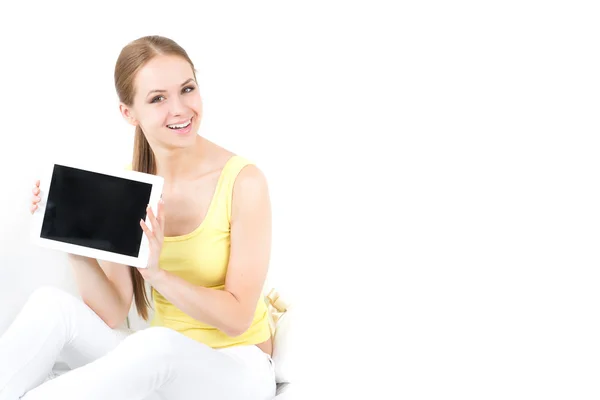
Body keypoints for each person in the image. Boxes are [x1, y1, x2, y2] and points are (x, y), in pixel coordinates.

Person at [0, 35, 276, 400]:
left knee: (156, 345)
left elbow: (238, 317)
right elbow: (113, 312)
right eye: (158, 98)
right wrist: (71, 238)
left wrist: (156, 273)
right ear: (129, 113)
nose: (179, 109)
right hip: (158, 363)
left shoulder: (243, 181)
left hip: (237, 367)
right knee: (52, 305)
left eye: (187, 89)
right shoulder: (132, 186)